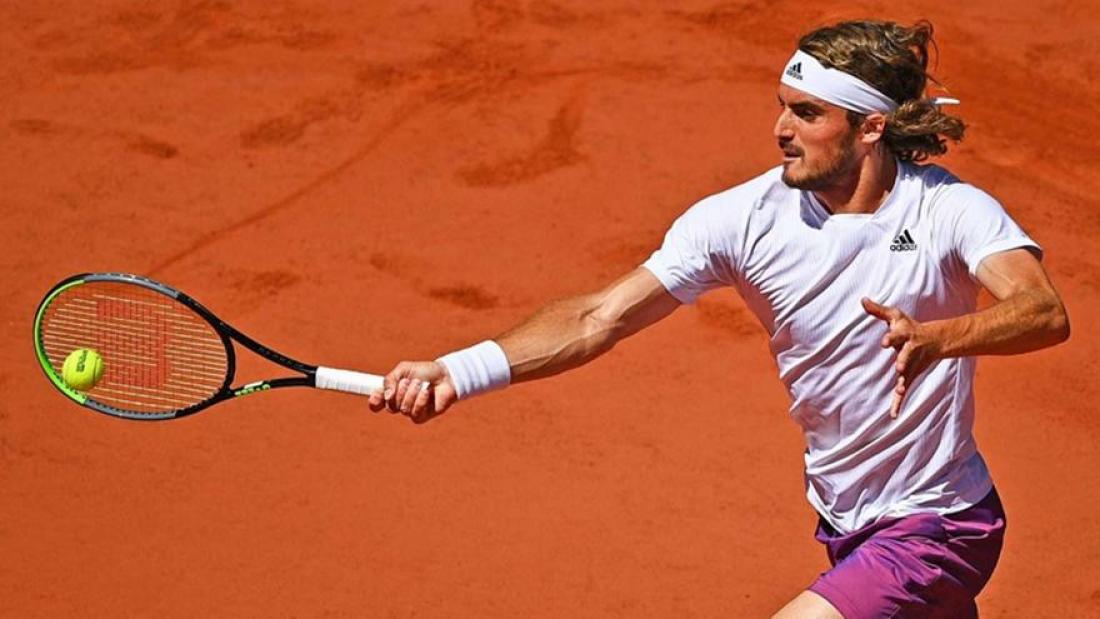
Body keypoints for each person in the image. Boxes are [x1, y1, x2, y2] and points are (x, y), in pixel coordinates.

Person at [367, 19, 1070, 618]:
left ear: (870, 127)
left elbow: (1042, 309)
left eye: (807, 114)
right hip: (844, 518)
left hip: (940, 521)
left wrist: (942, 337)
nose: (780, 129)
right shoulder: (740, 219)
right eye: (782, 107)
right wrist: (457, 370)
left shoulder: (947, 210)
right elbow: (597, 317)